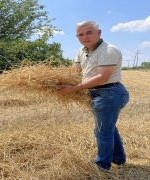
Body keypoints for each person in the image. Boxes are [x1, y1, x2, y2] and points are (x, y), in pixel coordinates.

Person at [56, 20, 129, 170]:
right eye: (80, 34)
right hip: (96, 93)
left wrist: (75, 88)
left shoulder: (109, 50)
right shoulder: (82, 51)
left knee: (102, 130)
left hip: (109, 93)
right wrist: (56, 81)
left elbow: (103, 77)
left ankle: (102, 166)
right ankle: (118, 158)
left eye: (89, 33)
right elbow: (74, 71)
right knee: (109, 128)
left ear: (99, 33)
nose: (85, 37)